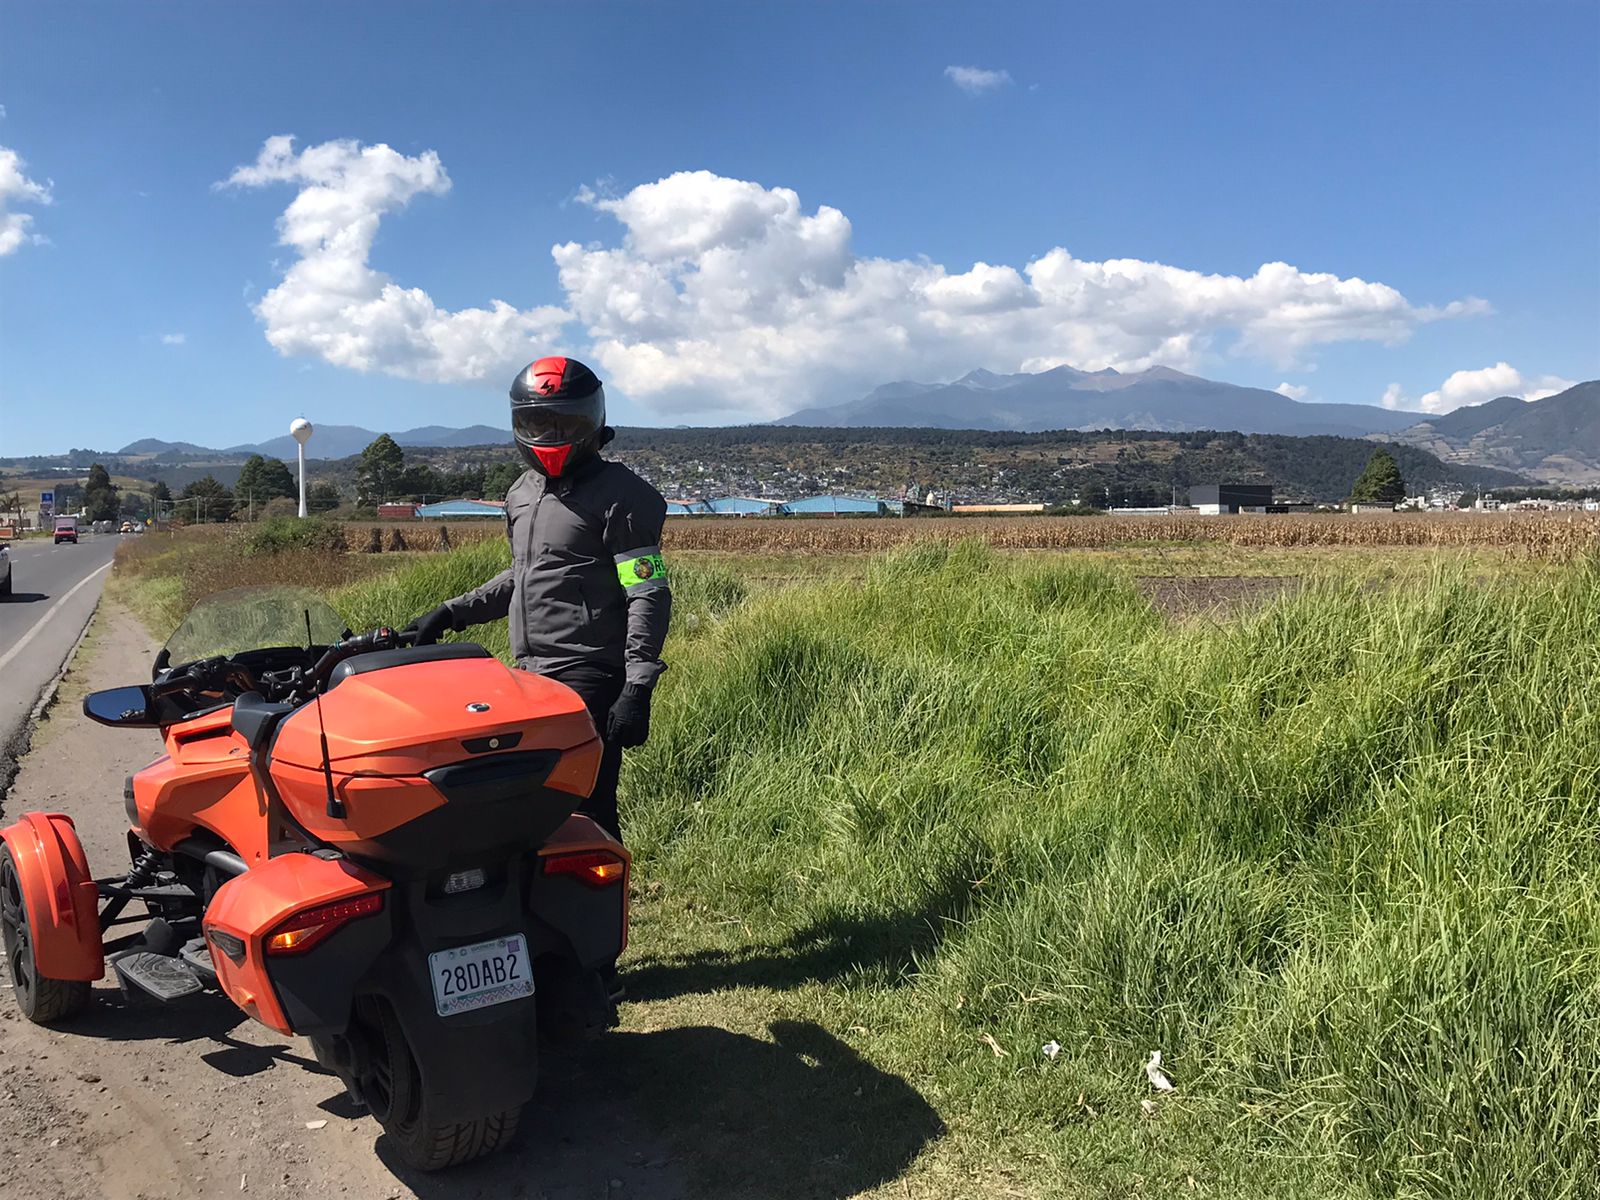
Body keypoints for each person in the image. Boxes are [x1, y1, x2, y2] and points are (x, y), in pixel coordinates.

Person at [404, 356, 671, 851]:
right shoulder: (523, 492)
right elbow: (527, 574)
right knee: (527, 806)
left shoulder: (621, 496)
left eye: (563, 421)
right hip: (528, 673)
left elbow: (647, 589)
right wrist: (451, 611)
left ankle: (600, 913)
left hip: (590, 671)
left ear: (591, 422)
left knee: (585, 804)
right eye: (536, 421)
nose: (549, 432)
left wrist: (637, 685)